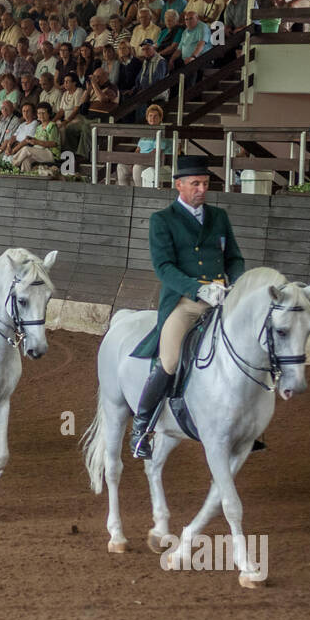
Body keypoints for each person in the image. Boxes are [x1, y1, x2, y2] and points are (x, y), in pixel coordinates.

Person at [126, 155, 244, 458]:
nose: (201, 189)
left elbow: (234, 257)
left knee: (247, 348)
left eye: (205, 183)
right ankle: (142, 427)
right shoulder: (162, 220)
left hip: (222, 299)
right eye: (195, 183)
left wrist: (235, 284)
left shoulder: (219, 216)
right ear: (179, 185)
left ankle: (246, 424)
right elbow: (163, 267)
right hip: (186, 302)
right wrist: (198, 289)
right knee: (170, 359)